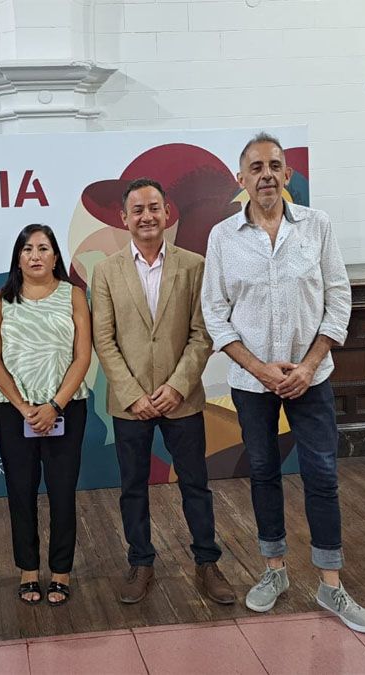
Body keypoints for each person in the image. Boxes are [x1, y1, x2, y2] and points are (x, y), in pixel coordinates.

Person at [201, 132, 365, 634]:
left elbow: (338, 297)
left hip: (311, 377)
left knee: (322, 476)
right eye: (255, 167)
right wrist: (259, 367)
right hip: (251, 381)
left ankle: (331, 585)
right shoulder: (222, 237)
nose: (266, 174)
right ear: (241, 179)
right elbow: (215, 312)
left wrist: (307, 364)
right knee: (262, 474)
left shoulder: (316, 227)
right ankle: (274, 571)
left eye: (275, 165)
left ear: (288, 174)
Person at [90, 178, 234, 606]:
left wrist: (176, 386)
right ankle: (141, 562)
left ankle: (207, 562)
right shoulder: (106, 270)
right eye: (137, 210)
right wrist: (134, 393)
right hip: (129, 403)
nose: (146, 216)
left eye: (153, 208)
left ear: (167, 212)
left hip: (182, 399)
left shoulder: (194, 266)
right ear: (124, 218)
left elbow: (202, 333)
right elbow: (104, 339)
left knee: (196, 484)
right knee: (133, 487)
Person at [0, 224, 91, 607]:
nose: (35, 255)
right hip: (16, 413)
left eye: (43, 248)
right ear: (17, 257)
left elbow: (83, 356)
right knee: (20, 493)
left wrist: (54, 406)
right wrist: (24, 406)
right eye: (27, 249)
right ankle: (28, 570)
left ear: (55, 256)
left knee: (62, 494)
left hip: (66, 408)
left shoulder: (74, 295)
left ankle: (60, 573)